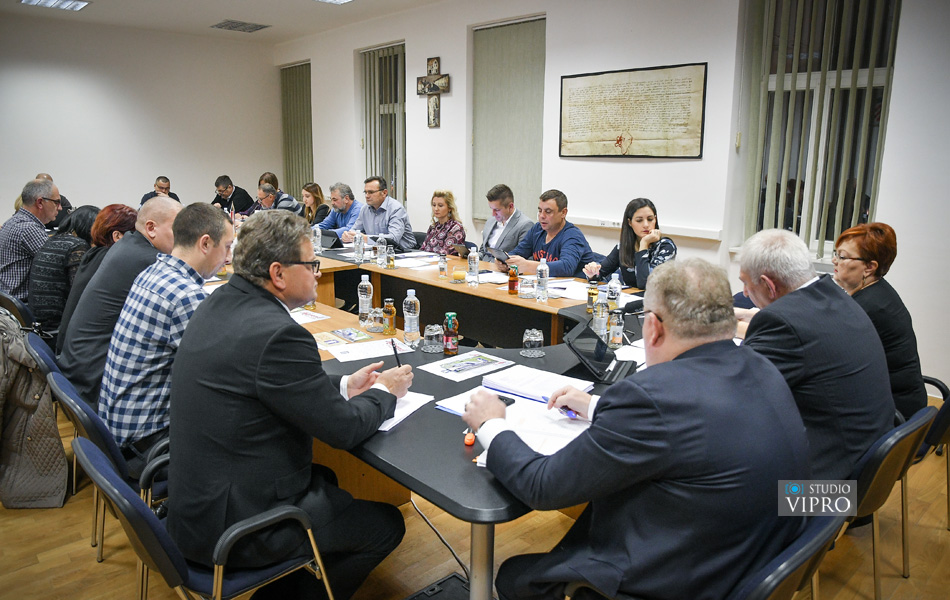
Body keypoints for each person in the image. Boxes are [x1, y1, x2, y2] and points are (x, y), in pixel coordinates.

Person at [463, 258, 810, 600]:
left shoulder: (652, 396)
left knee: (514, 576)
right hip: (748, 560)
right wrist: (595, 406)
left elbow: (542, 487)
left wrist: (491, 424)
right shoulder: (762, 367)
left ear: (653, 327)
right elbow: (690, 429)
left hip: (675, 579)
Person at [167, 210, 411, 600]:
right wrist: (385, 391)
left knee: (327, 478)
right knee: (386, 525)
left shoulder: (221, 301)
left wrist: (345, 384)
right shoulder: (279, 334)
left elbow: (274, 382)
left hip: (198, 505)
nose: (318, 272)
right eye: (311, 264)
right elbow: (344, 430)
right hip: (238, 528)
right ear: (278, 274)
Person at [736, 228, 895, 480]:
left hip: (828, 492)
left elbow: (735, 393)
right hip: (869, 468)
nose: (744, 293)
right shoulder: (834, 294)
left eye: (745, 283)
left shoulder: (782, 322)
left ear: (769, 285)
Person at [99, 204, 233, 478]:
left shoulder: (154, 272)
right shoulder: (186, 296)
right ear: (205, 243)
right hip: (147, 445)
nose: (229, 258)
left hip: (117, 431)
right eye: (228, 247)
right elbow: (226, 371)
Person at [58, 196, 182, 405]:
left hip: (78, 364)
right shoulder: (147, 259)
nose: (182, 237)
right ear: (151, 228)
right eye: (177, 229)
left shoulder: (127, 244)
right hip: (95, 377)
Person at [833, 223, 926, 421]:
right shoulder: (879, 291)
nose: (834, 261)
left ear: (869, 267)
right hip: (902, 402)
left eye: (842, 256)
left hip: (892, 413)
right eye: (836, 254)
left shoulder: (870, 308)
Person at [56, 204, 138, 354]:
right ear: (117, 236)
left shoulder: (92, 254)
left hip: (68, 348)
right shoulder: (112, 261)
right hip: (85, 354)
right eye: (135, 235)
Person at [27, 205, 99, 341]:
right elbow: (80, 292)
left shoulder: (52, 239)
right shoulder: (77, 246)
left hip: (38, 324)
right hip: (56, 329)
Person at [583, 198, 676, 289]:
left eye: (650, 219)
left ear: (655, 219)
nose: (646, 225)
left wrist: (644, 244)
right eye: (639, 220)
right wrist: (592, 273)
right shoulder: (623, 247)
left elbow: (646, 284)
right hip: (629, 297)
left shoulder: (666, 247)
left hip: (655, 298)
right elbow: (600, 274)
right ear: (629, 222)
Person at [502, 189, 596, 277]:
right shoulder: (537, 229)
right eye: (540, 211)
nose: (542, 216)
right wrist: (505, 261)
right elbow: (518, 252)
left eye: (548, 212)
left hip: (576, 286)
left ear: (563, 213)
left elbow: (567, 267)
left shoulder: (572, 235)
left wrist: (528, 266)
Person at [0, 178, 61, 301]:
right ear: (40, 203)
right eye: (56, 202)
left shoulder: (12, 221)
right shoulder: (28, 228)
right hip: (22, 305)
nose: (60, 208)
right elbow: (58, 264)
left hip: (9, 302)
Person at [341, 176, 416, 250]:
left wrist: (365, 238)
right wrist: (347, 235)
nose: (367, 196)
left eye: (371, 192)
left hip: (403, 251)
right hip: (377, 250)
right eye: (365, 192)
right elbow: (355, 230)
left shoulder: (396, 209)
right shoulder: (365, 209)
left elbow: (393, 239)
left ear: (384, 192)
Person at [478, 184, 533, 255]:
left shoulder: (525, 225)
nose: (493, 214)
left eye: (497, 210)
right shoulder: (490, 221)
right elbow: (483, 250)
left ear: (510, 206)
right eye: (491, 209)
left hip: (504, 262)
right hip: (483, 261)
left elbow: (521, 256)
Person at [420, 190, 465, 254]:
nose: (436, 209)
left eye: (440, 205)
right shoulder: (433, 227)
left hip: (443, 260)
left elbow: (445, 253)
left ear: (449, 208)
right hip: (427, 259)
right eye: (434, 205)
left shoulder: (456, 228)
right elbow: (423, 248)